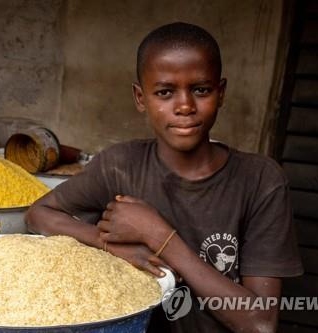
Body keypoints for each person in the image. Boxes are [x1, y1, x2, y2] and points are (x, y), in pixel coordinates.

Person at [26, 22, 303, 333]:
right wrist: (107, 245)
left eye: (201, 90)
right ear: (141, 98)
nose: (185, 106)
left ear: (221, 93)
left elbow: (260, 324)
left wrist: (159, 237)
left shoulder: (260, 181)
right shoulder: (120, 165)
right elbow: (38, 214)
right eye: (165, 92)